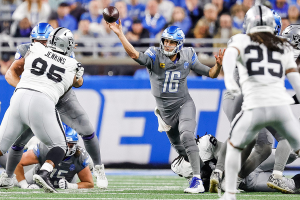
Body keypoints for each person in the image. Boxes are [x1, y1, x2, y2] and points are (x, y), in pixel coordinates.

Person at [107, 18, 224, 193]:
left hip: (184, 104)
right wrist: (120, 34)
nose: (168, 45)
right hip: (165, 114)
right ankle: (207, 173)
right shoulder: (154, 54)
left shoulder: (188, 55)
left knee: (187, 136)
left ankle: (197, 180)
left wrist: (218, 65)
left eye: (172, 42)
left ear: (179, 44)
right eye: (166, 41)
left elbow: (211, 74)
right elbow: (135, 55)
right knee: (183, 152)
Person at [4, 23, 108, 190]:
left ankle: (98, 168)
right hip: (38, 97)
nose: (41, 45)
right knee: (19, 141)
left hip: (62, 97)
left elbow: (78, 82)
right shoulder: (29, 49)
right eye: (38, 41)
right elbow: (10, 73)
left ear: (53, 40)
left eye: (45, 41)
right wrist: (27, 89)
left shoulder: (64, 52)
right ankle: (8, 176)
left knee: (87, 130)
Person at [220, 5, 300, 200]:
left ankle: (229, 188)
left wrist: (229, 80)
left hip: (253, 103)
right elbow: (295, 80)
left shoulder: (242, 40)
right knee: (290, 142)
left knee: (239, 144)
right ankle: (277, 175)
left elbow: (229, 57)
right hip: (272, 103)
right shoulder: (283, 48)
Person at [0, 27, 82, 193]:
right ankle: (44, 172)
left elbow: (20, 57)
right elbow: (78, 82)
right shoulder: (73, 63)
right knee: (60, 145)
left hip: (19, 97)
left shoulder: (34, 48)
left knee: (2, 147)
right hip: (42, 101)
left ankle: (7, 178)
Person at [15, 124, 94, 190]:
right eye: (64, 144)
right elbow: (18, 161)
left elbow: (89, 183)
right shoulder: (45, 148)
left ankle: (91, 165)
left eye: (70, 145)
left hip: (67, 181)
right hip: (36, 177)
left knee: (88, 162)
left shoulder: (79, 156)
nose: (66, 148)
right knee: (14, 182)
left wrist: (70, 186)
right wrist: (25, 185)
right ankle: (32, 145)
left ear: (75, 145)